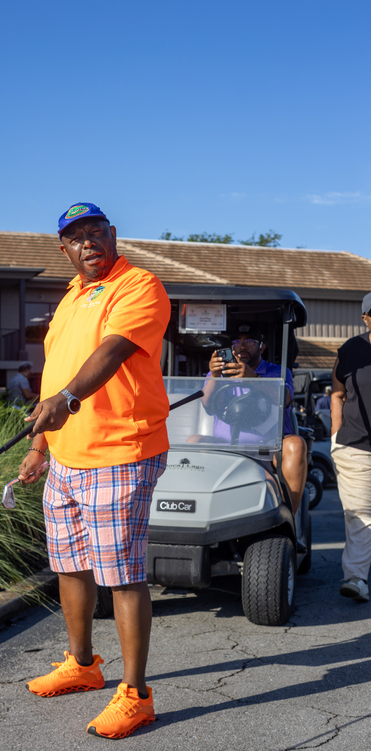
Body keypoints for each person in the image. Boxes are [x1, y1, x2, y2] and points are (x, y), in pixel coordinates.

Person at [17, 202, 171, 739]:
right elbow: (53, 373)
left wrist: (68, 397)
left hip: (121, 450)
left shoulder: (139, 285)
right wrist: (39, 443)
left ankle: (136, 695)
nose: (88, 243)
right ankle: (82, 664)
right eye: (76, 237)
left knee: (121, 572)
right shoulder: (70, 296)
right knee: (71, 563)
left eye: (96, 232)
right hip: (65, 455)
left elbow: (114, 351)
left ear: (112, 234)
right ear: (64, 249)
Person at [202, 324, 307, 515]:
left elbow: (285, 398)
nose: (243, 346)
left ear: (261, 347)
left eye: (249, 341)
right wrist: (215, 376)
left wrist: (253, 379)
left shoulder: (277, 372)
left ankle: (288, 516)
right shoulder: (220, 372)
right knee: (193, 442)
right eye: (237, 342)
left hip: (267, 449)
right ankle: (199, 511)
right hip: (226, 448)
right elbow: (207, 405)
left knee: (296, 444)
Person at [330, 292, 371, 603]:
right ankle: (356, 577)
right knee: (360, 516)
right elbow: (337, 395)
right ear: (365, 318)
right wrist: (335, 434)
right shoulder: (350, 351)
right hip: (356, 447)